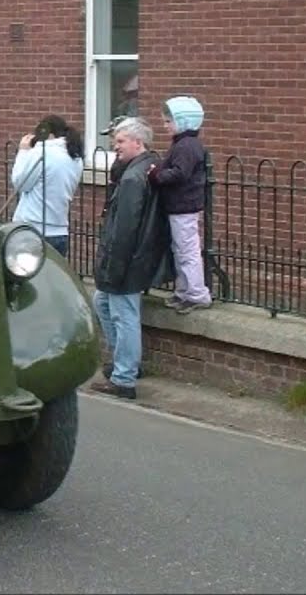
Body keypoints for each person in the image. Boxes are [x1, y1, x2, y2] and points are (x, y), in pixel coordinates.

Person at [90, 117, 171, 400]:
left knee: (124, 314)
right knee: (102, 302)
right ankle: (124, 363)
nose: (116, 146)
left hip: (127, 259)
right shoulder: (138, 169)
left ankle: (124, 378)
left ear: (139, 142)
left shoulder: (133, 178)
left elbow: (124, 228)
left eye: (121, 141)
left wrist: (115, 264)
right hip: (135, 257)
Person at [149, 95, 213, 315]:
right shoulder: (185, 144)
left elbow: (179, 173)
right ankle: (185, 290)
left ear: (184, 121)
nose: (165, 125)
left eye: (169, 121)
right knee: (181, 250)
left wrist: (157, 175)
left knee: (187, 251)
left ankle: (196, 293)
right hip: (180, 205)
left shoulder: (186, 146)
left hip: (183, 205)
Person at [11, 115, 84, 257]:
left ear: (48, 134)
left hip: (32, 228)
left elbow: (20, 183)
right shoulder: (75, 157)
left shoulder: (41, 152)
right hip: (60, 230)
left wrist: (23, 152)